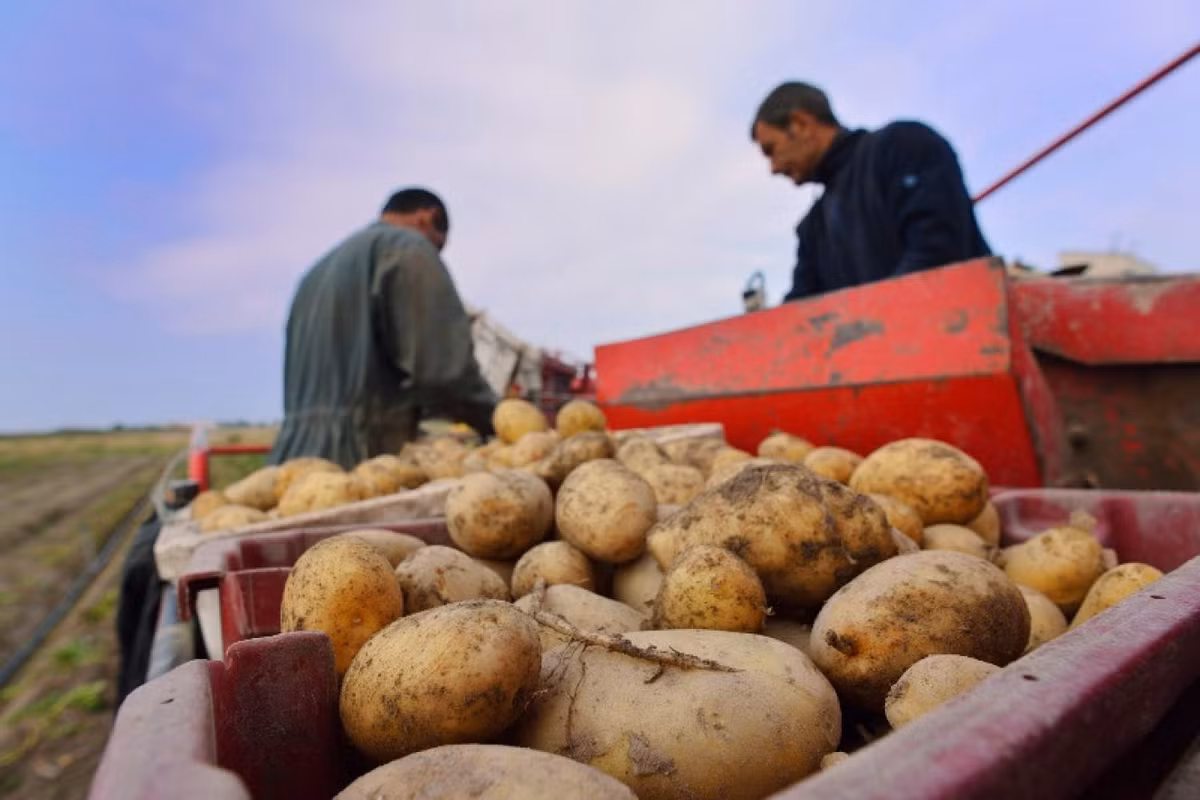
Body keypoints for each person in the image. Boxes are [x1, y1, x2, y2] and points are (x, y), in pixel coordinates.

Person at [267, 187, 499, 469]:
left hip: (291, 462)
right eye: (438, 247)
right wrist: (499, 419)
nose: (435, 256)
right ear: (429, 217)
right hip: (361, 460)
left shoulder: (315, 274)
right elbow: (443, 373)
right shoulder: (408, 250)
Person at [750, 82, 993, 302]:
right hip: (882, 346)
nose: (774, 168)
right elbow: (799, 313)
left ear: (801, 124)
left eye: (771, 150)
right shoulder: (813, 229)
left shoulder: (903, 147)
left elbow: (938, 254)